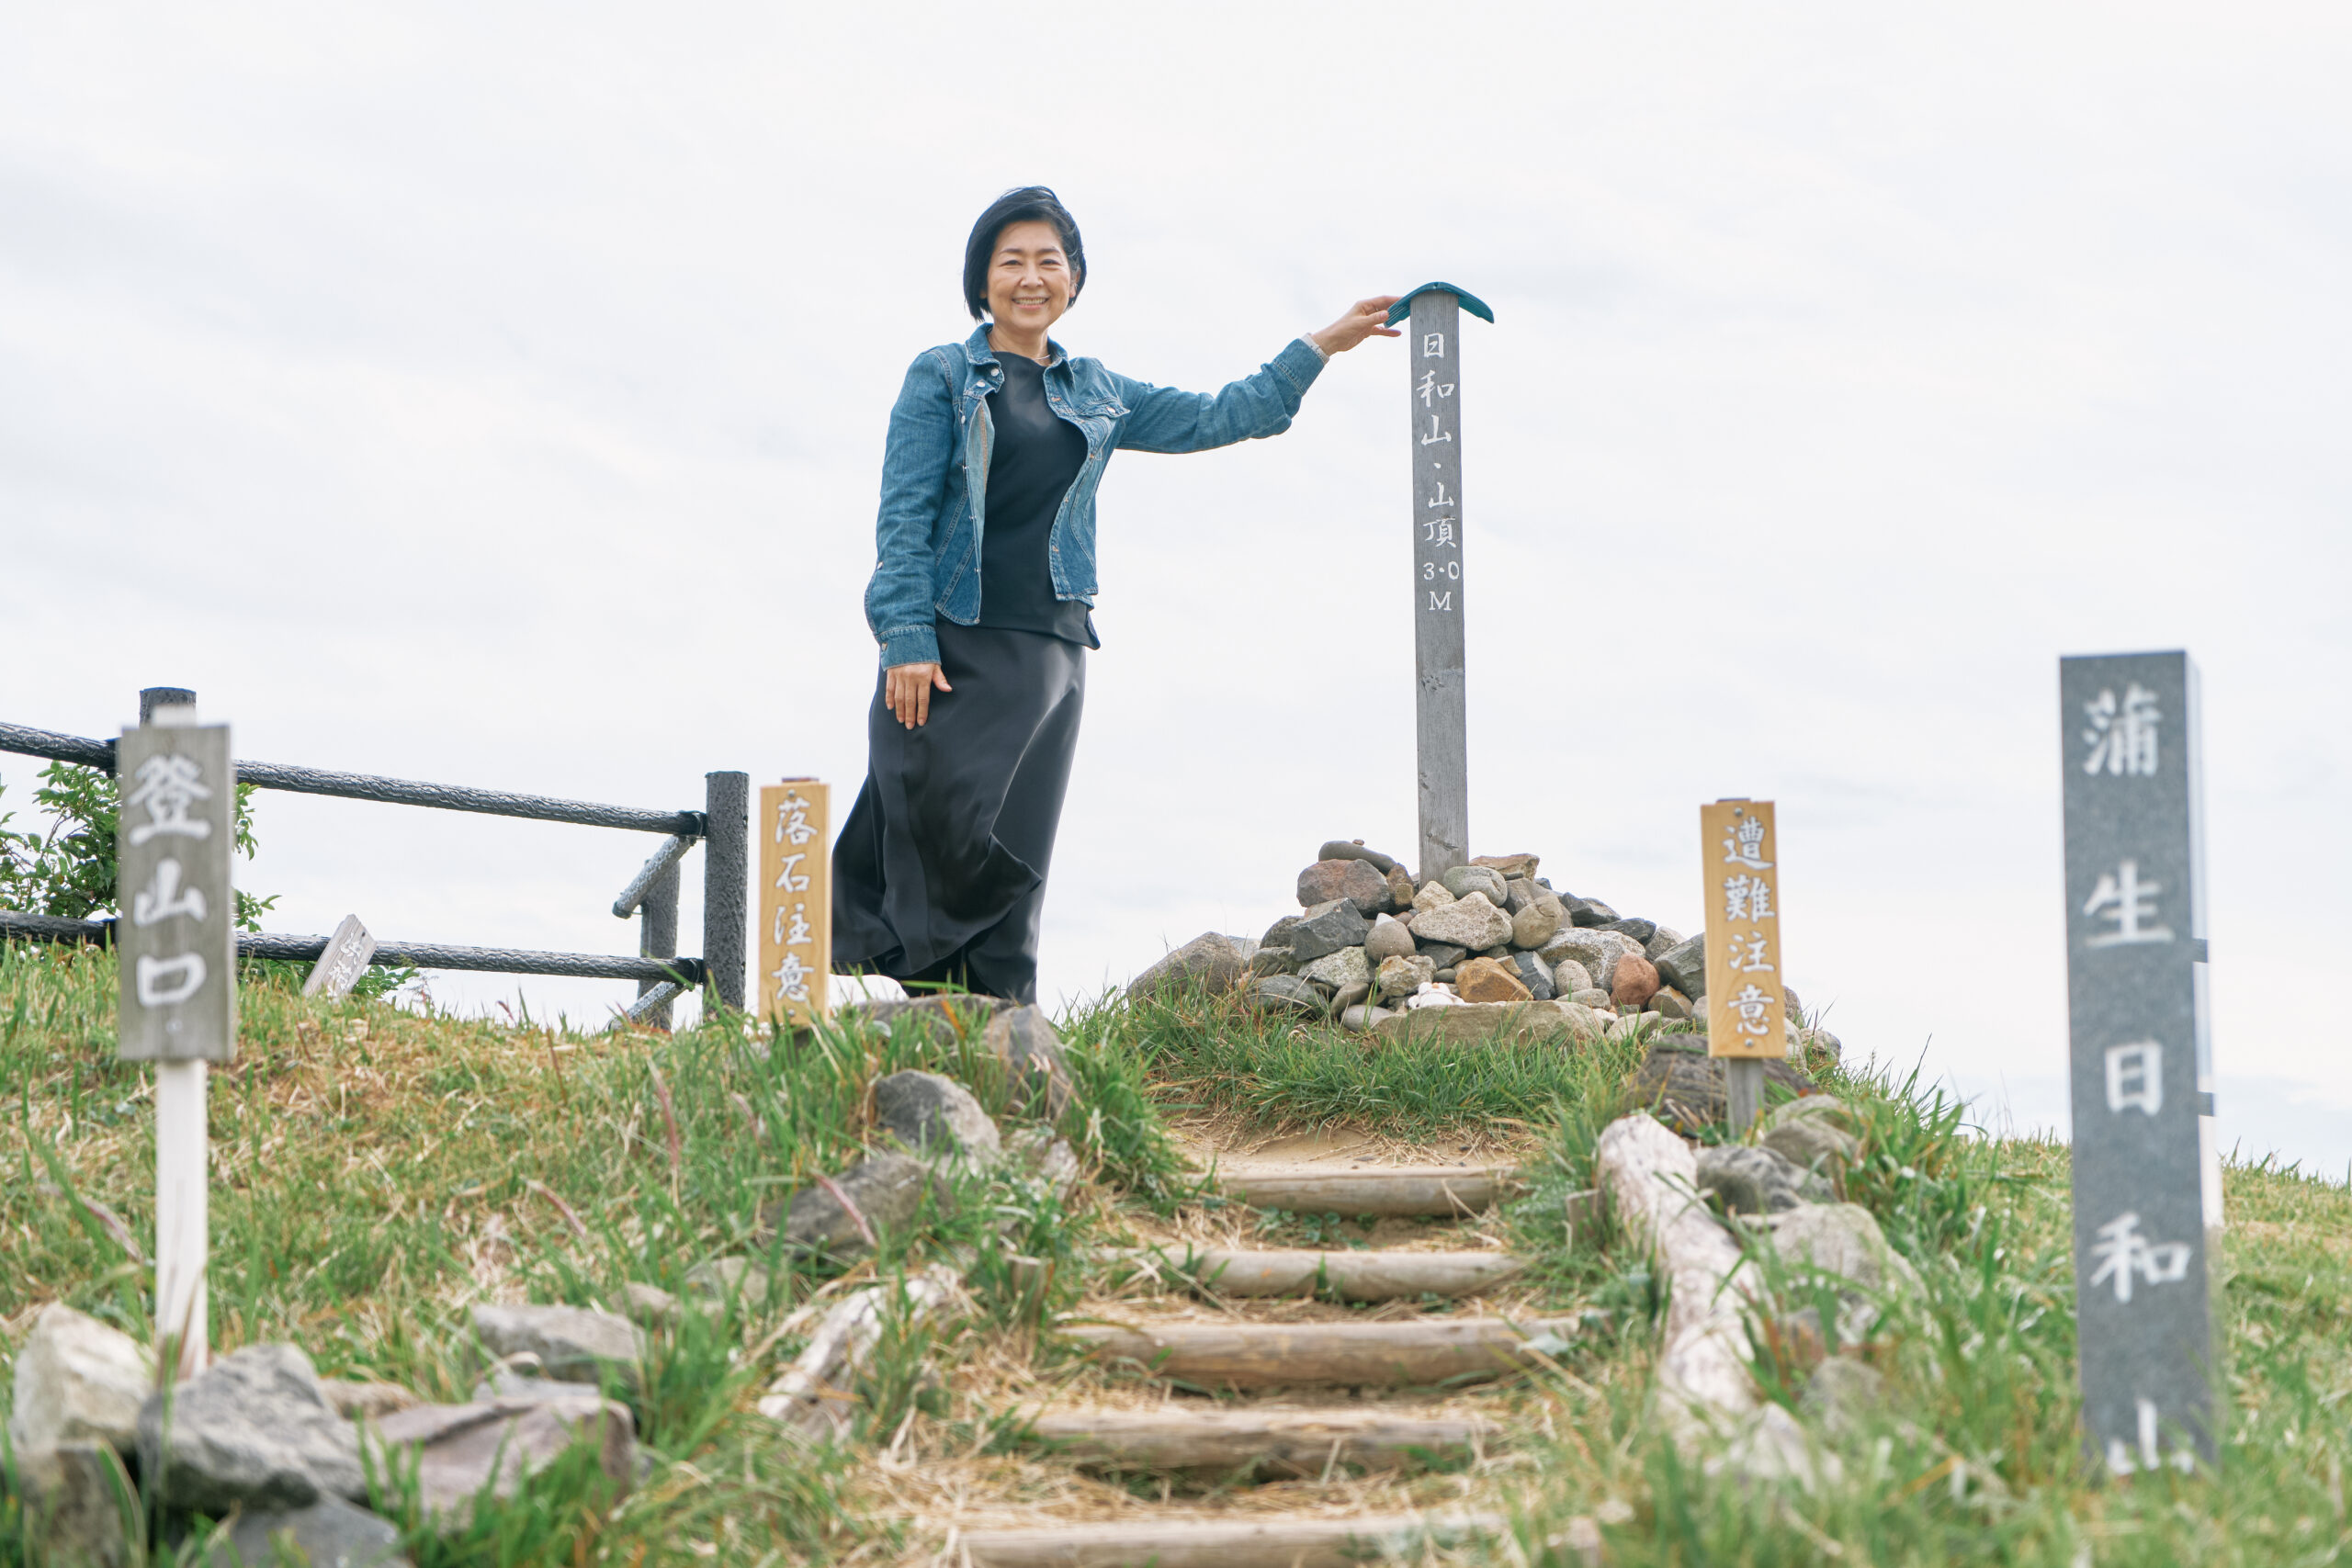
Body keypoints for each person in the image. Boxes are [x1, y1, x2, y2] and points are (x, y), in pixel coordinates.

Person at [832, 185, 1397, 1004]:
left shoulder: (1096, 389)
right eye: (1011, 262)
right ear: (981, 280)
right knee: (940, 835)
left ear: (1072, 280)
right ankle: (930, 1033)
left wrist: (1322, 344)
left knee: (1016, 857)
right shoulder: (945, 374)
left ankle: (1005, 1040)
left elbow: (1220, 415)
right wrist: (904, 634)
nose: (1031, 277)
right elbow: (904, 513)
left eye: (1048, 262)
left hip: (1050, 655)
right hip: (954, 645)